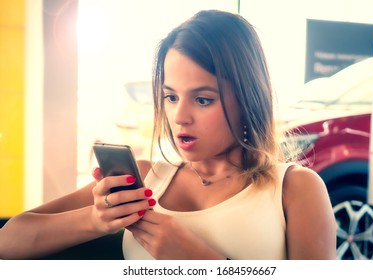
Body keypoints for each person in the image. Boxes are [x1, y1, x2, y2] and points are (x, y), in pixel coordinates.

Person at [0, 9, 336, 260]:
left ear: (248, 99)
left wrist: (201, 264)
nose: (179, 116)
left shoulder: (295, 189)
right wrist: (95, 219)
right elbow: (8, 241)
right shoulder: (147, 178)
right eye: (170, 96)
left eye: (203, 99)